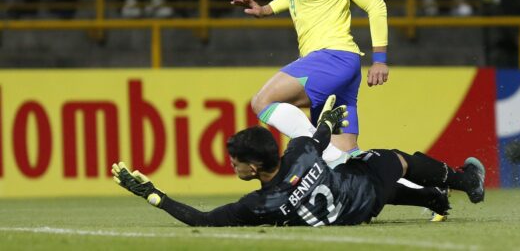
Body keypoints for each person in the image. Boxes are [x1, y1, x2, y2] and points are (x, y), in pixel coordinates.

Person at [112, 96, 485, 227]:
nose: (233, 166)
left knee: (355, 166)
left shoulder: (258, 206)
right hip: (360, 194)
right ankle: (464, 180)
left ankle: (436, 197)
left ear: (254, 168)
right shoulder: (300, 153)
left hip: (351, 215)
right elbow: (318, 138)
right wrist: (328, 122)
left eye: (235, 162)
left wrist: (152, 194)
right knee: (397, 160)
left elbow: (202, 219)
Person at [231, 0, 389, 164]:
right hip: (339, 67)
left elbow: (376, 5)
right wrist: (266, 9)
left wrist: (380, 60)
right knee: (349, 159)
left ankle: (317, 147)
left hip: (332, 58)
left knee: (262, 102)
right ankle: (430, 190)